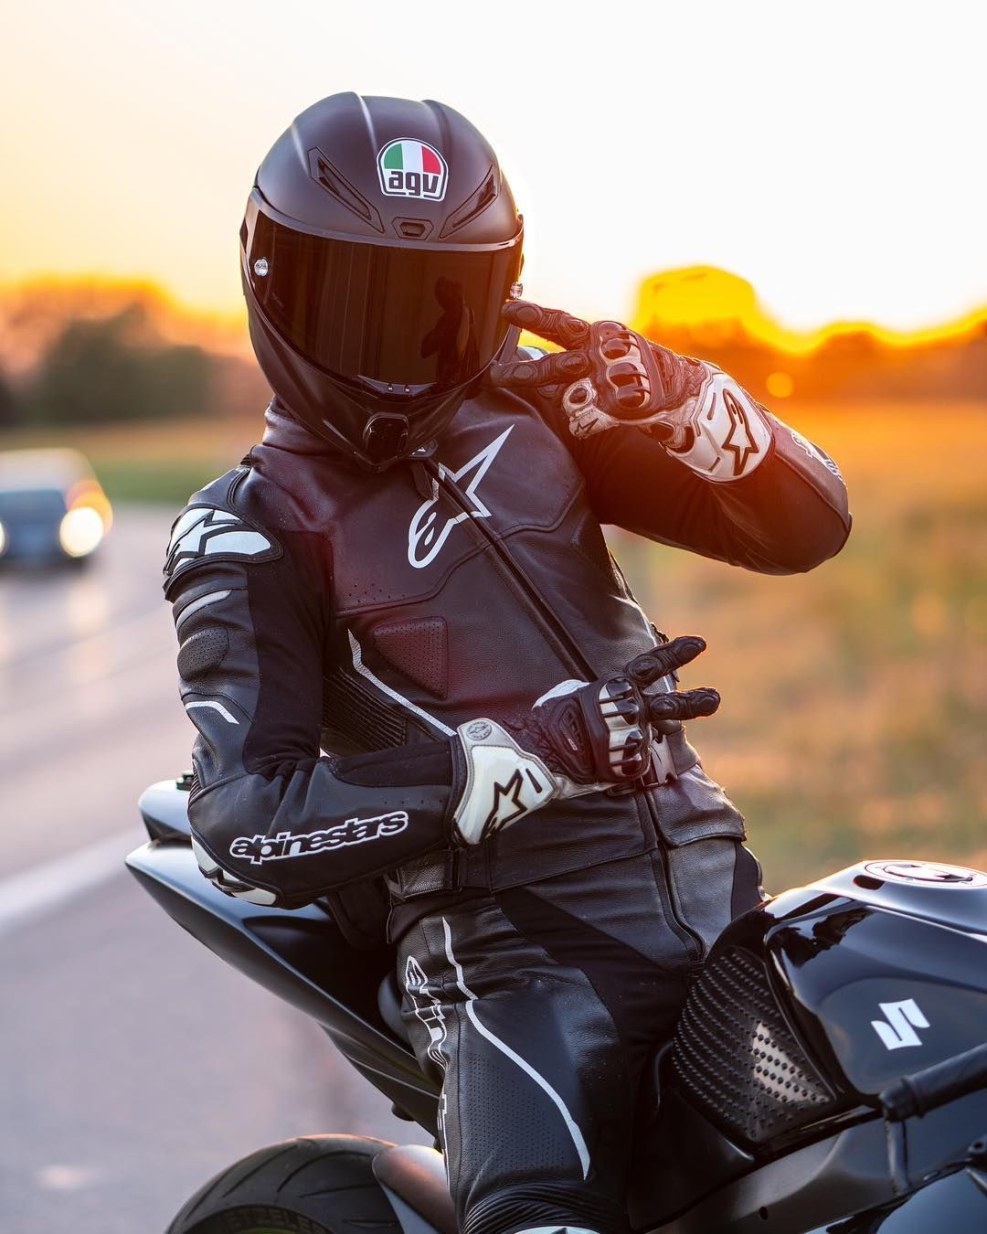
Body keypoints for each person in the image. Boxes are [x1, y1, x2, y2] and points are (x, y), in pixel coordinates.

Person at [164, 92, 850, 1234]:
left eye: (433, 307)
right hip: (507, 967)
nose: (394, 350)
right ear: (273, 279)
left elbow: (807, 529)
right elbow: (242, 816)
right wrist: (512, 756)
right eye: (353, 301)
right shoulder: (250, 522)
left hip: (727, 914)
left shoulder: (546, 411)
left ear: (498, 292)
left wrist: (692, 403)